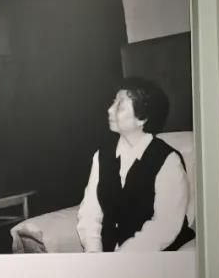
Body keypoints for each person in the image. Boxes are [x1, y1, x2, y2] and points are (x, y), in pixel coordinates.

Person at [76, 77, 195, 252]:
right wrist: (94, 252)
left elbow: (164, 227)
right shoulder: (102, 156)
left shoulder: (168, 160)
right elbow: (90, 212)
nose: (110, 110)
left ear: (142, 118)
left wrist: (122, 258)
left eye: (120, 106)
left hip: (157, 256)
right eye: (113, 102)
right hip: (109, 258)